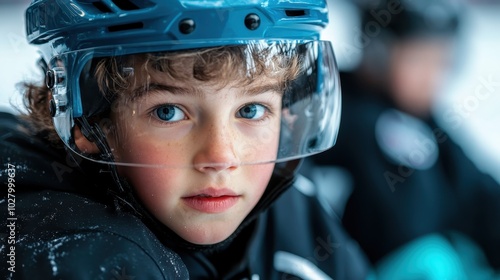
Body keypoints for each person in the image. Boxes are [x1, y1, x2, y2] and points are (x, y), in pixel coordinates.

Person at [0, 0, 372, 279]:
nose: (221, 157)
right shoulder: (77, 255)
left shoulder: (293, 213)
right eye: (168, 112)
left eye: (251, 110)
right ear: (87, 121)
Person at [306, 0, 500, 279]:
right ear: (378, 53)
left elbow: (476, 190)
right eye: (418, 61)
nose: (431, 78)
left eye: (442, 63)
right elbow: (403, 227)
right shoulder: (342, 111)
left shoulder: (422, 117)